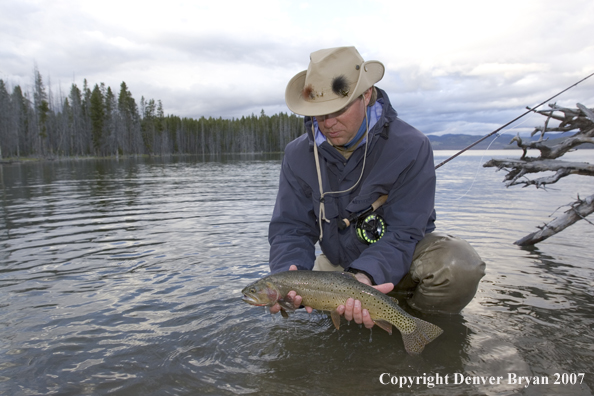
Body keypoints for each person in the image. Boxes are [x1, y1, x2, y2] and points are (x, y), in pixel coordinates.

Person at [268, 46, 485, 328]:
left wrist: (365, 277)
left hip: (402, 261)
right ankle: (370, 321)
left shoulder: (411, 146)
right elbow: (290, 228)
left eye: (338, 109)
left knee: (459, 264)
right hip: (337, 271)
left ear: (366, 95)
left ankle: (420, 326)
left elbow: (405, 232)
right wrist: (288, 275)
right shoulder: (298, 155)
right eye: (319, 113)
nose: (328, 123)